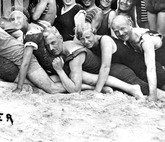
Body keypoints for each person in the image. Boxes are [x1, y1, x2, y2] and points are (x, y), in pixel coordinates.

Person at [11, 9, 143, 98]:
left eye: (53, 43)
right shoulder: (65, 45)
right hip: (101, 71)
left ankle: (132, 89)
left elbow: (75, 90)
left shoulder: (74, 54)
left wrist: (60, 71)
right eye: (48, 45)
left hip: (117, 72)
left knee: (146, 88)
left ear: (61, 38)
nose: (51, 48)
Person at [75, 22, 165, 106]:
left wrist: (97, 91)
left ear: (94, 32)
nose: (86, 41)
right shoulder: (94, 44)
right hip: (137, 73)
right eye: (82, 39)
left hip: (144, 70)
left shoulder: (105, 40)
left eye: (88, 37)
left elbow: (105, 67)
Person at [111, 15, 165, 101]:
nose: (120, 33)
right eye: (116, 31)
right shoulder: (128, 40)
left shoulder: (145, 40)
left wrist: (153, 95)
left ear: (130, 24)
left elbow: (151, 68)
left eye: (122, 28)